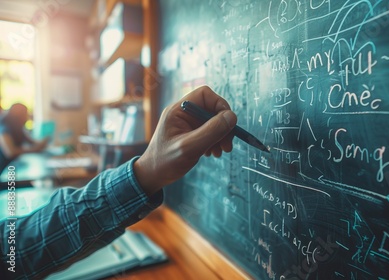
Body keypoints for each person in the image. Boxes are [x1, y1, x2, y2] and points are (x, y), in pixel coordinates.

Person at [0, 86, 238, 280]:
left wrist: (148, 171)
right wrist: (148, 170)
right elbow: (20, 249)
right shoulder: (5, 126)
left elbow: (20, 248)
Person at [0, 103, 50, 173]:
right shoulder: (4, 127)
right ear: (19, 115)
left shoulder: (19, 128)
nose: (27, 117)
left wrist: (43, 142)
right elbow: (11, 152)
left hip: (15, 167)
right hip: (5, 171)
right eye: (26, 114)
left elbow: (33, 143)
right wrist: (34, 149)